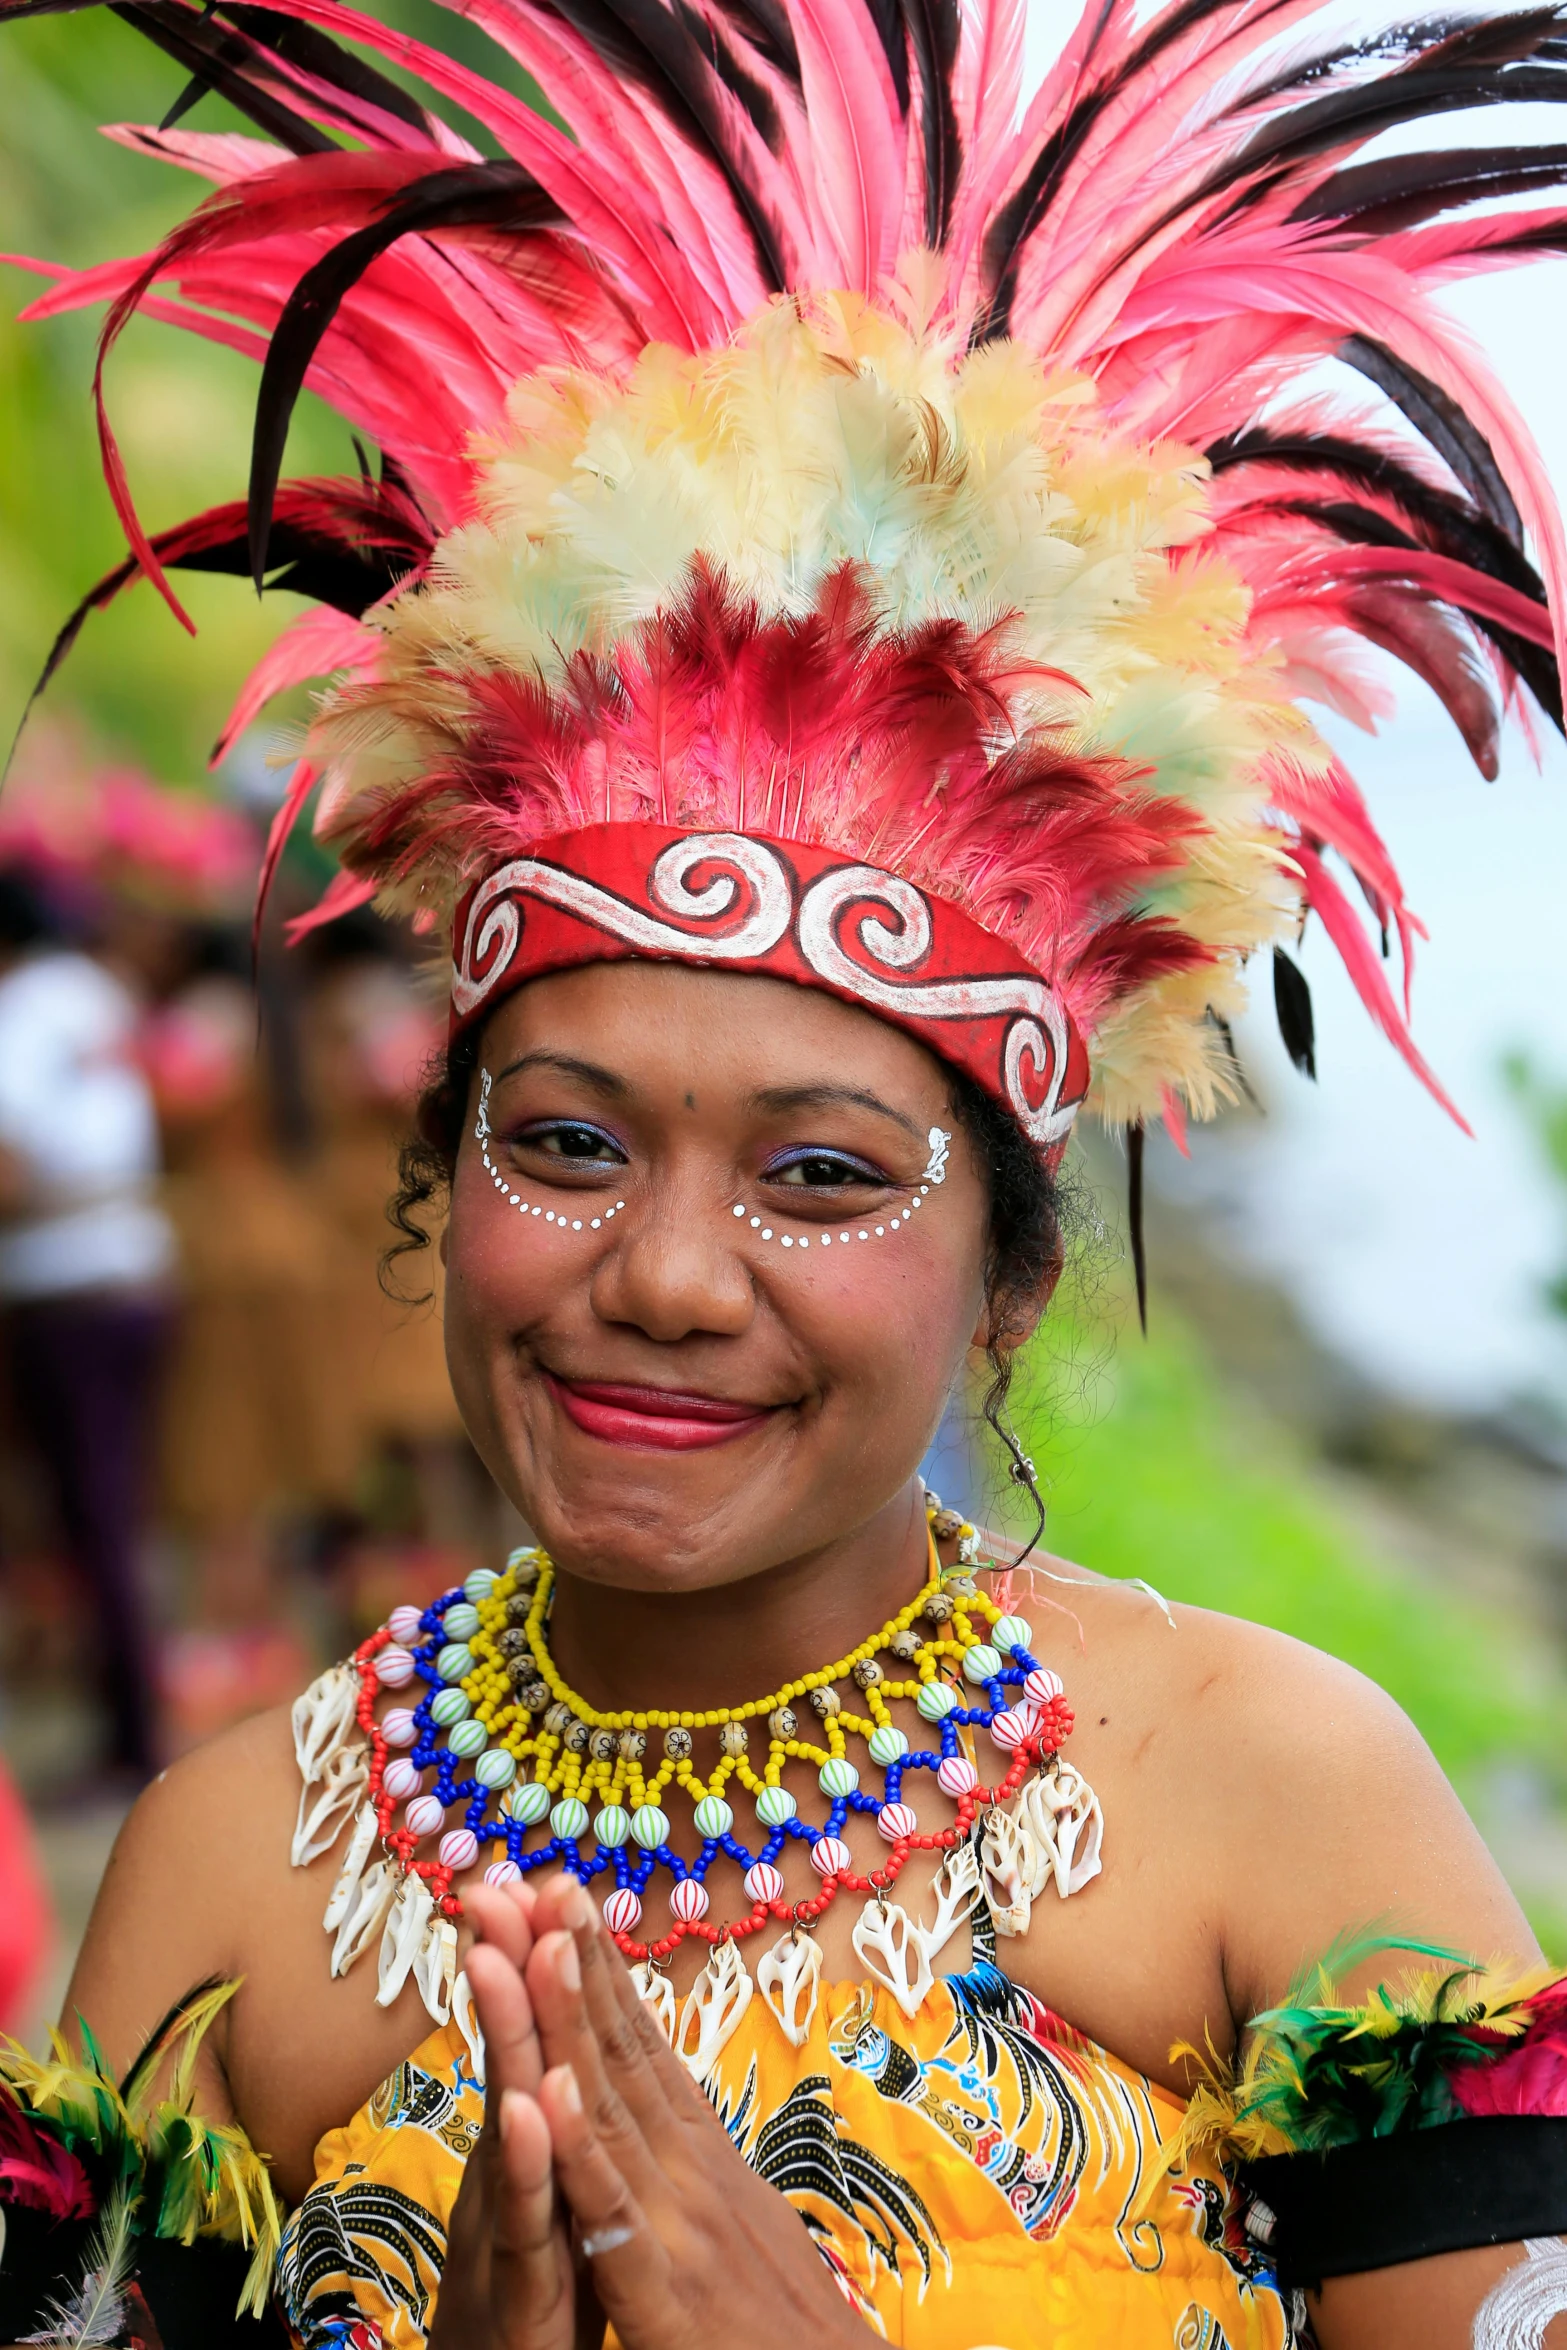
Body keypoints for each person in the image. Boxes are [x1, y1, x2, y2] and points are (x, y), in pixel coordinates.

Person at [2, 0, 1566, 2341]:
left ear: (1003, 1286)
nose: (655, 1272)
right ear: (433, 1191)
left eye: (818, 1175)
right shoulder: (226, 1863)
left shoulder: (1279, 1798)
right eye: (561, 1143)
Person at [0, 865, 174, 1779]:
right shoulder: (95, 992)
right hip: (137, 1270)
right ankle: (132, 1722)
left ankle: (133, 1738)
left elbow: (12, 1168)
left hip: (64, 1291)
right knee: (117, 1512)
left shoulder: (20, 1010)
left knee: (94, 1516)